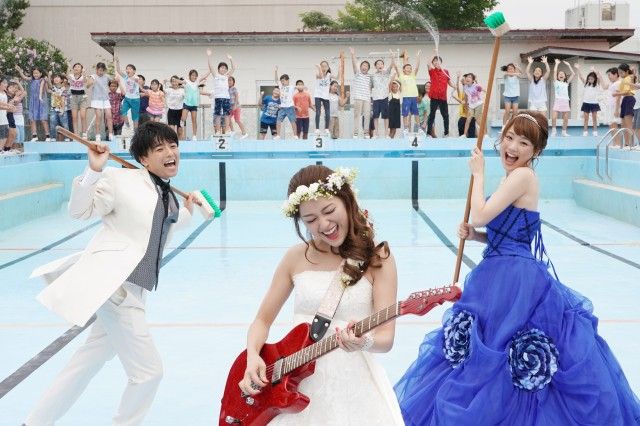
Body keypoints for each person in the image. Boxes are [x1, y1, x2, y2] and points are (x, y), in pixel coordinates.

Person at [395, 111, 640, 425]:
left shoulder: (523, 176)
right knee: (492, 350)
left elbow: (480, 214)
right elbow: (505, 234)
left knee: (502, 350)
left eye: (523, 142)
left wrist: (478, 174)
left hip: (514, 279)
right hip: (499, 272)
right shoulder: (512, 178)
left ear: (535, 151)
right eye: (509, 137)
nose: (512, 146)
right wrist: (476, 236)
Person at [24, 122, 197, 426]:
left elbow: (163, 222)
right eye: (159, 149)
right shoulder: (120, 180)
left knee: (85, 363)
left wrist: (191, 209)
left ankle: (34, 423)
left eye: (173, 146)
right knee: (149, 373)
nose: (170, 153)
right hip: (118, 288)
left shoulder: (167, 195)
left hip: (136, 290)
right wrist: (94, 170)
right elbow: (79, 211)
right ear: (143, 159)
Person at [240, 164, 404, 425]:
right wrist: (252, 357)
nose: (324, 225)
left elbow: (386, 338)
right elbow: (261, 320)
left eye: (329, 211)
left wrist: (363, 342)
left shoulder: (377, 258)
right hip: (295, 386)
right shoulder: (295, 257)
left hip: (355, 389)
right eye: (310, 220)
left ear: (347, 201)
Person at [15, 65, 51, 141]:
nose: (35, 74)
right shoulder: (31, 79)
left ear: (41, 73)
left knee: (43, 119)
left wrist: (40, 97)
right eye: (34, 73)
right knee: (32, 119)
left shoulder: (43, 80)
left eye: (37, 73)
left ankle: (48, 136)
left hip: (41, 101)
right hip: (33, 101)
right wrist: (20, 71)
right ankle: (34, 136)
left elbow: (42, 89)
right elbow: (24, 77)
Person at [427, 51, 456, 138]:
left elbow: (449, 82)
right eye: (434, 61)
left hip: (443, 97)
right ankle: (428, 134)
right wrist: (434, 53)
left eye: (438, 60)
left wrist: (454, 86)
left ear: (441, 62)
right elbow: (428, 63)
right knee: (432, 115)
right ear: (433, 63)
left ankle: (446, 133)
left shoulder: (445, 71)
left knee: (445, 116)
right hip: (434, 97)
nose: (436, 62)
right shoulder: (432, 71)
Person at [206, 49, 235, 136]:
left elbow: (233, 68)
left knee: (226, 114)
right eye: (222, 67)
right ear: (218, 69)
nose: (223, 69)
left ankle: (227, 130)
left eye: (225, 68)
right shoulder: (216, 76)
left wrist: (231, 59)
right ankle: (218, 131)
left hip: (226, 98)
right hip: (218, 97)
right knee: (218, 114)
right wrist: (209, 56)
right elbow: (211, 67)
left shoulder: (227, 76)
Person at [393, 49, 422, 136]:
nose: (409, 69)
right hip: (406, 98)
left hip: (414, 98)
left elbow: (417, 67)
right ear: (404, 70)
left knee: (416, 113)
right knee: (405, 114)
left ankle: (419, 128)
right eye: (407, 68)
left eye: (410, 68)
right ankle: (406, 128)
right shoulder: (401, 76)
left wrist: (418, 57)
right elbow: (396, 68)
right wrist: (393, 57)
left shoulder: (413, 76)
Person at [86, 62, 114, 141]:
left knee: (109, 116)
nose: (101, 72)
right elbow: (87, 85)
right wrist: (91, 82)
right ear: (96, 70)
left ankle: (111, 134)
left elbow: (114, 80)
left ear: (104, 70)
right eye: (99, 70)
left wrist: (116, 78)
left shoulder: (106, 76)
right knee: (99, 117)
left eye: (102, 70)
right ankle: (97, 135)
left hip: (105, 99)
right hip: (96, 99)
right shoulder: (93, 76)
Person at [349, 47, 373, 139]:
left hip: (367, 99)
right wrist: (352, 54)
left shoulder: (370, 77)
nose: (364, 67)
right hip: (358, 97)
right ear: (360, 67)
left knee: (367, 116)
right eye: (363, 65)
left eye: (366, 66)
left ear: (368, 68)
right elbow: (354, 65)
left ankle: (366, 133)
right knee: (357, 115)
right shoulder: (357, 74)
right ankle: (355, 133)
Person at [114, 57, 142, 131]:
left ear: (134, 71)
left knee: (135, 117)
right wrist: (117, 62)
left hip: (135, 100)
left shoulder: (136, 77)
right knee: (122, 111)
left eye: (130, 69)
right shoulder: (126, 77)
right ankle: (127, 124)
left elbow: (137, 79)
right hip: (127, 98)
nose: (127, 70)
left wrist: (133, 78)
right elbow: (118, 71)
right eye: (127, 69)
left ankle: (135, 131)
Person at [181, 69, 210, 141]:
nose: (194, 77)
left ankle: (194, 136)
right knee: (183, 118)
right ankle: (182, 133)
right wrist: (174, 80)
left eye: (195, 76)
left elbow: (204, 76)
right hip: (187, 103)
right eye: (192, 75)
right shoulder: (186, 81)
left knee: (194, 120)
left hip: (194, 104)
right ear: (190, 76)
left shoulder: (197, 82)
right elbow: (179, 82)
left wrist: (210, 70)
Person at [574, 64, 602, 137]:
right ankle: (585, 131)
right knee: (586, 119)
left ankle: (595, 131)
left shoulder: (597, 85)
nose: (590, 80)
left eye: (592, 79)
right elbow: (581, 77)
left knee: (594, 118)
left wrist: (593, 70)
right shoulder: (586, 84)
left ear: (594, 79)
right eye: (589, 79)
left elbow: (599, 77)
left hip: (594, 103)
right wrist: (578, 68)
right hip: (586, 103)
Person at [551, 59, 576, 137]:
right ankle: (554, 131)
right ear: (558, 76)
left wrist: (568, 65)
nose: (561, 74)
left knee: (565, 118)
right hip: (558, 100)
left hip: (565, 101)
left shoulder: (566, 83)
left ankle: (564, 132)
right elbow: (555, 71)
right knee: (554, 117)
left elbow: (573, 74)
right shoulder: (556, 82)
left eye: (562, 74)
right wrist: (556, 64)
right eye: (559, 74)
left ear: (565, 76)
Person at [371, 55, 394, 138]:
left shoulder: (386, 74)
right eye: (378, 64)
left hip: (384, 97)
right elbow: (370, 86)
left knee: (386, 116)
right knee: (375, 116)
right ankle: (376, 133)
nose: (380, 65)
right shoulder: (373, 76)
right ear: (375, 66)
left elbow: (391, 66)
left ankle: (386, 134)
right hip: (376, 98)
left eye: (381, 64)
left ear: (383, 65)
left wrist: (392, 57)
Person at [614, 63, 636, 147]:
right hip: (625, 100)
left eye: (621, 72)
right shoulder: (625, 79)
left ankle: (631, 143)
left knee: (628, 124)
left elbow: (627, 91)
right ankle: (627, 143)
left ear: (626, 71)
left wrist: (616, 94)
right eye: (619, 73)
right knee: (623, 124)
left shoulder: (628, 78)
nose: (620, 74)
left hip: (629, 99)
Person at [274, 67, 298, 140]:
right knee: (278, 121)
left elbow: (298, 86)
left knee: (292, 121)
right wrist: (276, 71)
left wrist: (303, 87)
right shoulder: (281, 87)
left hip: (290, 107)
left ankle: (295, 135)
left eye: (283, 81)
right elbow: (276, 80)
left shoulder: (291, 87)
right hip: (282, 107)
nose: (282, 82)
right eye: (281, 81)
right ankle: (278, 135)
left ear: (287, 80)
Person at [67, 62, 89, 137]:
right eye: (75, 67)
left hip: (82, 97)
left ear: (81, 69)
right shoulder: (71, 76)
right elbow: (67, 75)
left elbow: (85, 81)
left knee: (83, 116)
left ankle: (84, 133)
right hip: (73, 97)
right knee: (74, 117)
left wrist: (84, 73)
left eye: (79, 67)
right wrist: (68, 67)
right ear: (73, 69)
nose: (76, 68)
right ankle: (75, 134)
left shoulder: (83, 77)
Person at [602, 67, 622, 146]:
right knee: (611, 126)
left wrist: (617, 110)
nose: (609, 77)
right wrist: (599, 77)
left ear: (616, 74)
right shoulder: (612, 83)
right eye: (608, 75)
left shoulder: (618, 83)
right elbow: (604, 87)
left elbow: (618, 97)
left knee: (614, 125)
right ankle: (615, 143)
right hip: (610, 107)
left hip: (614, 107)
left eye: (609, 75)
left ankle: (618, 143)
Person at [452, 73, 476, 138]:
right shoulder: (462, 93)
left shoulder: (471, 91)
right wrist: (457, 78)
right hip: (463, 117)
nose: (464, 82)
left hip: (470, 116)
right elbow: (458, 88)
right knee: (462, 133)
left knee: (472, 135)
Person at [47, 73, 69, 141]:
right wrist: (49, 76)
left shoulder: (63, 89)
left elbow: (63, 100)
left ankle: (67, 137)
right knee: (52, 123)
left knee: (64, 124)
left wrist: (62, 110)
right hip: (53, 109)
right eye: (55, 77)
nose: (56, 79)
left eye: (58, 77)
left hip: (62, 109)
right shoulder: (53, 88)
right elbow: (49, 84)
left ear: (61, 80)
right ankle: (53, 137)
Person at [461, 73, 484, 138]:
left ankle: (485, 134)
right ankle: (464, 135)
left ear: (473, 80)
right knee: (468, 119)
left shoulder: (476, 85)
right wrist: (466, 106)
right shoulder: (465, 87)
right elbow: (466, 97)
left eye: (470, 77)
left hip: (478, 104)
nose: (468, 78)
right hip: (471, 105)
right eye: (467, 77)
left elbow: (482, 90)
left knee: (478, 119)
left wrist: (477, 82)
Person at [313, 60, 332, 137]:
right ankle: (317, 128)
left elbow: (337, 77)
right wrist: (319, 68)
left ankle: (326, 128)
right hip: (318, 94)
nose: (324, 68)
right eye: (322, 66)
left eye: (325, 66)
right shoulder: (318, 74)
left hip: (325, 95)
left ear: (328, 67)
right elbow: (321, 76)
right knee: (318, 111)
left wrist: (339, 69)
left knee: (327, 112)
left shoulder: (329, 75)